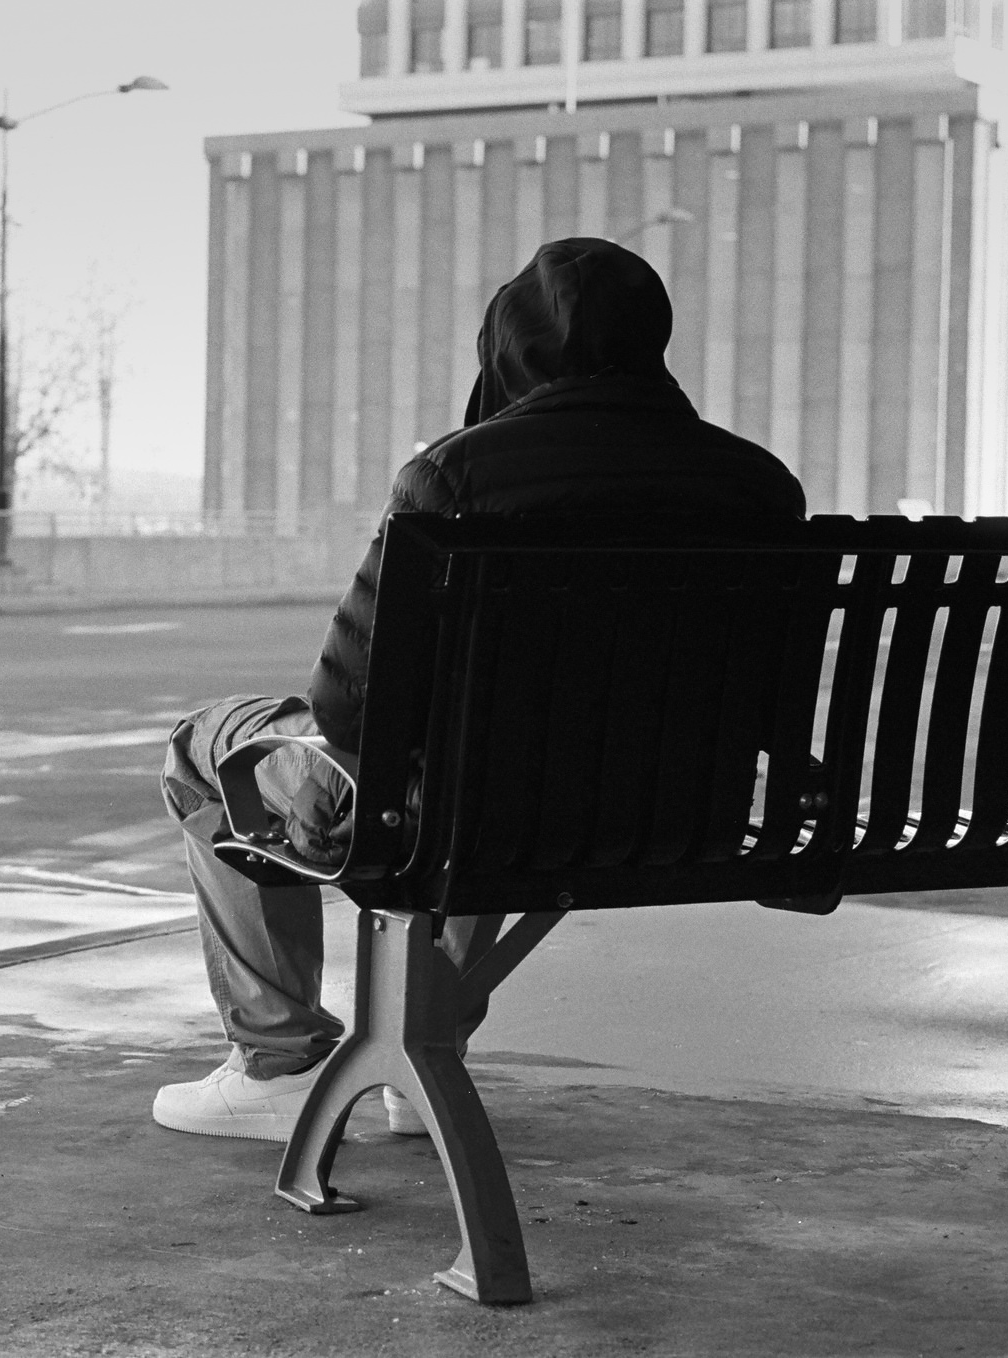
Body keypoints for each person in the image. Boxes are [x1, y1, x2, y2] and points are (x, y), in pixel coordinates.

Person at [153, 237, 807, 1141]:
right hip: (677, 813)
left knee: (209, 748)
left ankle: (280, 1061)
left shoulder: (458, 474)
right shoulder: (761, 486)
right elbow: (774, 698)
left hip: (476, 810)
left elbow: (350, 706)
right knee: (508, 760)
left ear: (506, 350)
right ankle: (424, 1055)